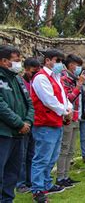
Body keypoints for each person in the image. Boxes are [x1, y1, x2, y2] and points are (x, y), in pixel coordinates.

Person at [31, 49, 72, 202]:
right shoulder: (41, 78)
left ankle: (46, 183)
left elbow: (62, 96)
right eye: (58, 60)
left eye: (62, 61)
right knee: (42, 157)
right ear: (48, 60)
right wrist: (64, 111)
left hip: (56, 121)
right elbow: (49, 100)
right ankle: (37, 189)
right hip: (45, 122)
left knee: (52, 156)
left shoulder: (56, 77)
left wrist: (68, 107)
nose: (60, 64)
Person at [0, 46, 34, 203]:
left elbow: (29, 103)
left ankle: (8, 199)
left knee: (13, 172)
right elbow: (1, 106)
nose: (19, 64)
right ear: (4, 61)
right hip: (4, 132)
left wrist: (27, 121)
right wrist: (19, 123)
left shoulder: (18, 80)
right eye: (16, 61)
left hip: (19, 134)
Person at [56, 54, 85, 188]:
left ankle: (66, 176)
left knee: (71, 150)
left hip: (76, 117)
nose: (78, 68)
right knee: (64, 148)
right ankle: (60, 177)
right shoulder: (65, 78)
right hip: (67, 118)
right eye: (77, 65)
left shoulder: (74, 79)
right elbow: (69, 98)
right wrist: (79, 85)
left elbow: (83, 98)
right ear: (70, 65)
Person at [16, 57, 40, 194]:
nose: (34, 74)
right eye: (32, 71)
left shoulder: (35, 81)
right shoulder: (20, 82)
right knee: (22, 154)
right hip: (23, 122)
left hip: (34, 122)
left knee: (32, 153)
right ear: (26, 69)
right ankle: (20, 183)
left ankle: (30, 180)